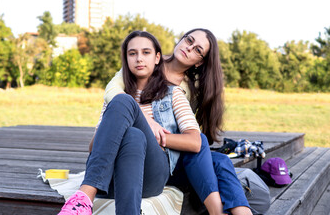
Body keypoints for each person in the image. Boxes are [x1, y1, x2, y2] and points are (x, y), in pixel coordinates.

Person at [102, 28, 252, 215]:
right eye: (189, 40)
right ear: (181, 39)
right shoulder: (146, 60)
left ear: (200, 61)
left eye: (198, 50)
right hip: (145, 150)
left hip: (172, 153)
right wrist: (145, 121)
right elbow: (112, 92)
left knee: (219, 159)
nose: (189, 48)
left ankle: (241, 213)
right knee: (200, 144)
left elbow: (187, 130)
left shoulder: (189, 89)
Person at [58, 31, 201, 215]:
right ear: (126, 59)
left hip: (151, 175)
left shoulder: (172, 94)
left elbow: (195, 142)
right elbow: (94, 147)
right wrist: (115, 131)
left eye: (146, 52)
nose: (139, 59)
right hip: (110, 180)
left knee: (126, 105)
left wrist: (153, 133)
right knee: (133, 135)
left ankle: (84, 197)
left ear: (157, 58)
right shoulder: (115, 101)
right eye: (132, 53)